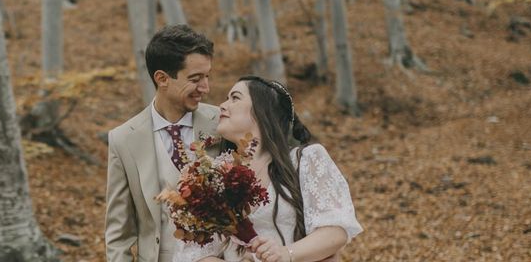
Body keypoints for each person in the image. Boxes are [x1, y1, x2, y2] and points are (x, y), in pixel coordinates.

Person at [173, 75, 363, 262]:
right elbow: (196, 253)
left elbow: (335, 231)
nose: (222, 105)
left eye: (235, 98)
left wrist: (285, 253)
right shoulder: (211, 176)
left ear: (262, 111)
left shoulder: (305, 160)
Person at [105, 25, 221, 262]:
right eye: (195, 79)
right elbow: (119, 232)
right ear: (162, 78)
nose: (205, 88)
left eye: (207, 76)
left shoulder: (222, 123)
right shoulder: (123, 139)